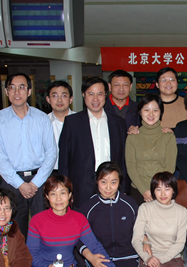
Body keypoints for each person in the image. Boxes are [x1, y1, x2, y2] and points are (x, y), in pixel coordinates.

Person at [0, 73, 56, 238]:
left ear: (29, 91)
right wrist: (20, 184)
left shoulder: (42, 118)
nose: (17, 92)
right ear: (6, 92)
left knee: (43, 228)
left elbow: (51, 153)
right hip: (11, 182)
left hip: (39, 180)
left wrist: (34, 183)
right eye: (12, 88)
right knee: (15, 231)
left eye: (21, 87)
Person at [77, 162, 139, 267]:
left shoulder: (130, 204)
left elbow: (140, 231)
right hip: (100, 255)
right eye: (103, 182)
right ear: (97, 181)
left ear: (119, 183)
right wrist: (90, 256)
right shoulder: (88, 207)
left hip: (127, 256)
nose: (108, 187)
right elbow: (77, 237)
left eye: (113, 182)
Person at [58, 76, 127, 209]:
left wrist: (123, 187)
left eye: (99, 94)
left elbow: (123, 158)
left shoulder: (118, 123)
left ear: (106, 95)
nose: (95, 98)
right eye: (90, 94)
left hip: (111, 185)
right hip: (80, 186)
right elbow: (64, 160)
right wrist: (65, 189)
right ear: (83, 95)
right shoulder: (72, 122)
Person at [132, 172, 187, 267]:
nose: (163, 194)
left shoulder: (181, 212)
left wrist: (161, 260)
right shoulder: (145, 208)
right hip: (150, 257)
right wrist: (148, 258)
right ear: (153, 191)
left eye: (167, 188)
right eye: (158, 189)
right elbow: (136, 239)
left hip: (172, 258)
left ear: (173, 190)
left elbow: (180, 244)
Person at [125, 94, 178, 205]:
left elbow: (170, 167)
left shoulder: (168, 136)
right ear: (140, 112)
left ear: (161, 112)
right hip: (138, 191)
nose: (151, 114)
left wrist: (158, 190)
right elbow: (131, 167)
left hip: (163, 192)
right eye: (146, 110)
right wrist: (144, 190)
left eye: (155, 110)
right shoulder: (132, 137)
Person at [45, 81, 74, 172]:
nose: (59, 100)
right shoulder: (43, 122)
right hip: (50, 172)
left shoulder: (81, 121)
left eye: (64, 95)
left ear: (71, 99)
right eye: (55, 96)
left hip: (75, 171)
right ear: (48, 99)